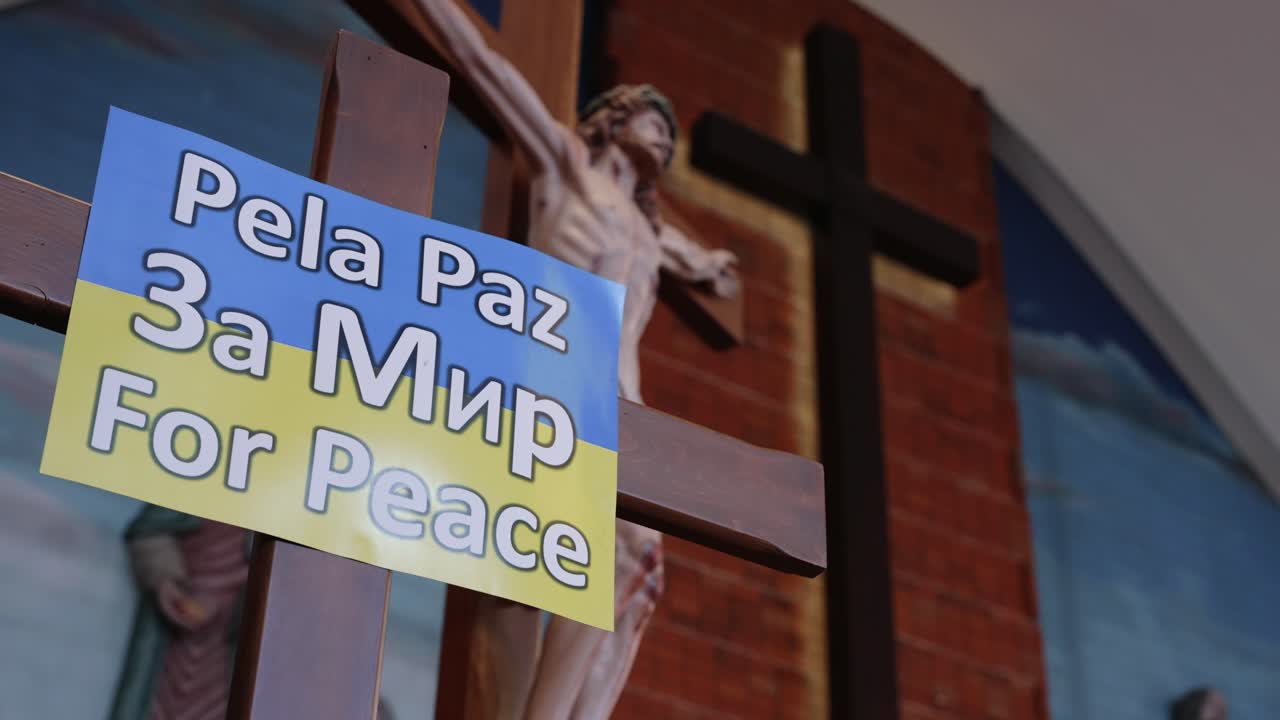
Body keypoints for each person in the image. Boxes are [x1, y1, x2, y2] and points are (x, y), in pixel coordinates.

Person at [412, 2, 739, 718]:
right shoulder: (566, 165)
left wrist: (715, 266)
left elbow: (705, 265)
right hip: (551, 370)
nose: (666, 131)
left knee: (640, 571)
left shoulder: (656, 237)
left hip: (624, 403)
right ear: (612, 120)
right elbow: (486, 66)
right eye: (652, 118)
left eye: (672, 132)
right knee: (537, 561)